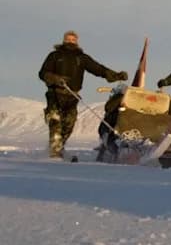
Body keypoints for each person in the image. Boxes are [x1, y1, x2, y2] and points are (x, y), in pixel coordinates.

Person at [38, 31, 127, 159]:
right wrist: (54, 78)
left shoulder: (82, 58)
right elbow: (43, 73)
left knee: (69, 124)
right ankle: (55, 153)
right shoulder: (54, 56)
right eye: (68, 39)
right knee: (55, 120)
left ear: (77, 41)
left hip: (72, 96)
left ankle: (59, 148)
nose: (70, 41)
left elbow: (98, 69)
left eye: (73, 39)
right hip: (55, 94)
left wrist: (117, 75)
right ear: (64, 40)